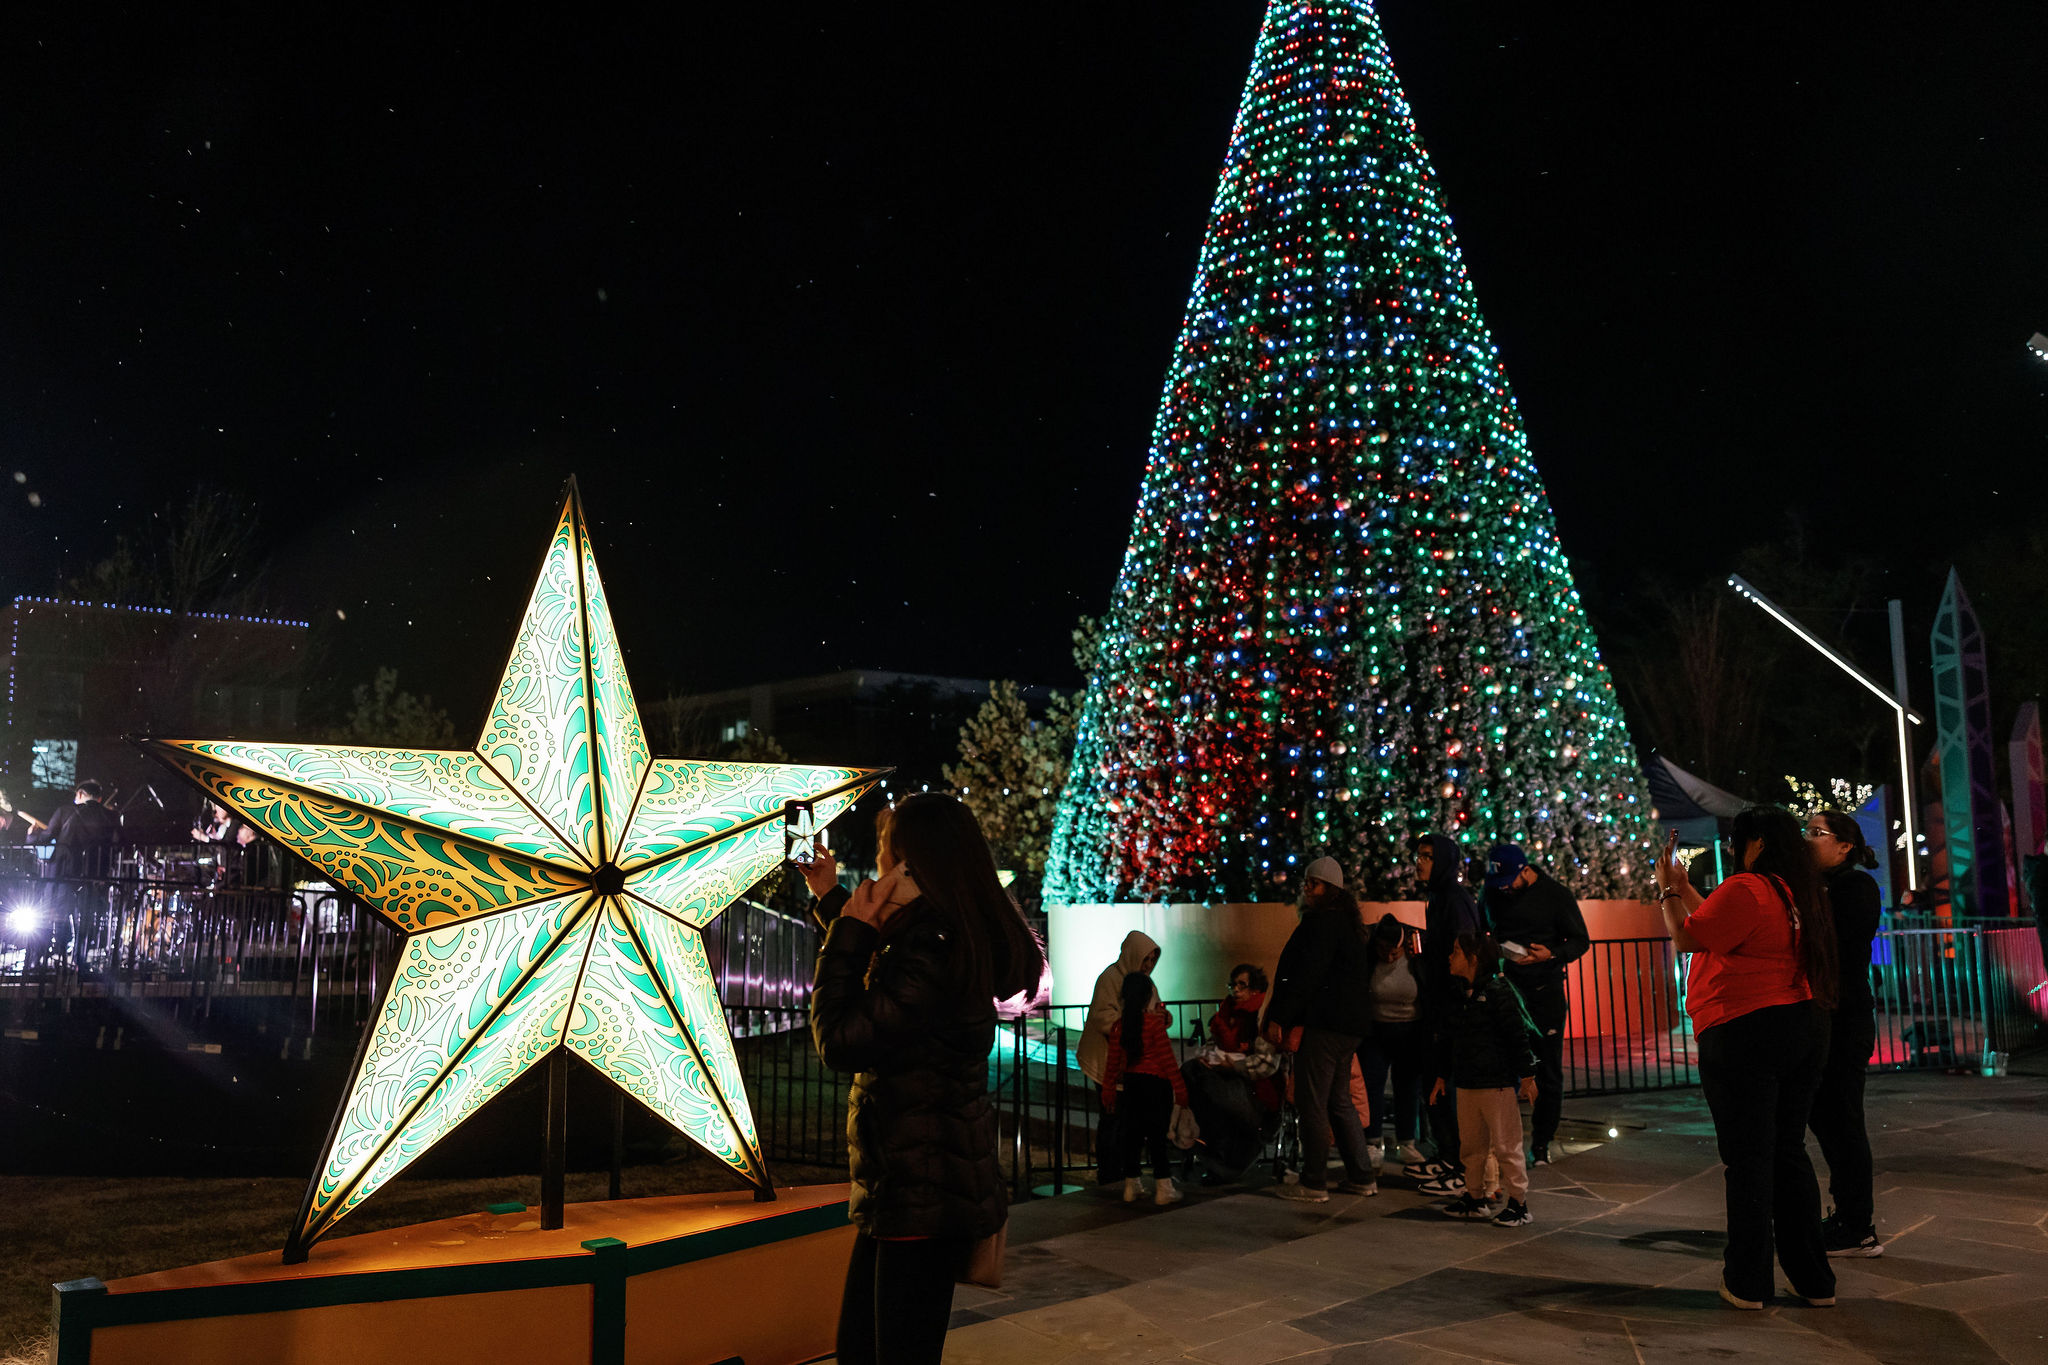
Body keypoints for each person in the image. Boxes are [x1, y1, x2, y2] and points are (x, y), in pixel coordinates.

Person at [804, 793, 1046, 1365]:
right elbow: (895, 986)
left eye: (887, 851)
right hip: (911, 1184)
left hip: (922, 1190)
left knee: (890, 1354)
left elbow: (840, 1039)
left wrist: (850, 932)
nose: (880, 865)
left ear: (913, 862)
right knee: (866, 1349)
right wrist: (832, 900)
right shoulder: (939, 935)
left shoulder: (933, 949)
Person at [1656, 806, 1839, 1311]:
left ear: (1754, 842)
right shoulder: (1794, 891)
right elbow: (1718, 924)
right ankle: (1813, 1279)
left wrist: (1668, 890)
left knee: (1749, 1160)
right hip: (1803, 1025)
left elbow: (1689, 935)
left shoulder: (1749, 887)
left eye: (1738, 843)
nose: (1736, 852)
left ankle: (1747, 1282)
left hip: (1746, 1029)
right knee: (1787, 1151)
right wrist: (1684, 887)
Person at [1265, 855, 1377, 1202]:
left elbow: (1304, 977)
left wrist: (1281, 1016)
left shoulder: (1321, 924)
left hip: (1325, 1026)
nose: (1307, 889)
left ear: (1329, 889)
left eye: (1313, 884)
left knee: (1311, 1100)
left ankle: (1314, 1181)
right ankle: (1361, 1175)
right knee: (1339, 1099)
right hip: (1349, 1026)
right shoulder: (1347, 924)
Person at [1804, 809, 1885, 1258]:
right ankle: (1848, 1215)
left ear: (1844, 845)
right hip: (1824, 1016)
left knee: (1843, 1119)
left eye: (1817, 833)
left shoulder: (1854, 886)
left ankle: (1858, 1225)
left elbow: (1835, 943)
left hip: (1846, 1018)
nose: (1807, 839)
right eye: (1806, 831)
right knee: (1825, 1117)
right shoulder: (1820, 887)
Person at [1482, 843, 1589, 1166]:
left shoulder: (1555, 894)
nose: (1504, 887)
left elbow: (1581, 940)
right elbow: (1485, 930)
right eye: (1499, 881)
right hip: (1507, 991)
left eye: (1510, 880)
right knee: (1501, 1067)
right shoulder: (1492, 893)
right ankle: (1502, 1142)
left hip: (1545, 992)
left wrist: (1551, 954)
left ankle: (1541, 1143)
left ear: (1526, 870)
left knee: (1547, 1070)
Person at [1428, 933, 1539, 1226]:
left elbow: (1517, 1037)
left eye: (1456, 951)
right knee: (1472, 1145)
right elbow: (1448, 1039)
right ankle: (1474, 1196)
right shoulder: (1459, 993)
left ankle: (1518, 1202)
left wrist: (1527, 1076)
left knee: (1506, 1145)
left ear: (1473, 958)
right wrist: (1442, 1076)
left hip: (1496, 1083)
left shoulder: (1498, 992)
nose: (1450, 957)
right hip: (1467, 1082)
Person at [1409, 832, 1485, 1197]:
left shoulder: (1454, 900)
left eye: (1427, 856)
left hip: (1451, 1008)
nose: (1419, 862)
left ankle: (1459, 1166)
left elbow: (1464, 952)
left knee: (1446, 1085)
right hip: (1440, 1005)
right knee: (1435, 1084)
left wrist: (1456, 1002)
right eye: (1418, 856)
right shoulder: (1439, 898)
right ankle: (1447, 1155)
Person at [1184, 964, 1284, 1185]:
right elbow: (1214, 1042)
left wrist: (1235, 1067)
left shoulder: (1261, 1016)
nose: (1236, 990)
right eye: (1233, 985)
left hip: (1255, 1089)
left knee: (1210, 1090)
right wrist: (1209, 1058)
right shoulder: (1225, 1014)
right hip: (1226, 1078)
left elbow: (1266, 1064)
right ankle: (1211, 1155)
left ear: (1255, 989)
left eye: (1242, 985)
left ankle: (1221, 1159)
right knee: (1193, 1075)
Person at [1079, 929, 1160, 1182]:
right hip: (1107, 1061)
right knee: (1112, 1118)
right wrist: (1137, 1024)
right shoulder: (1110, 979)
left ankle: (1123, 1172)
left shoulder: (1143, 982)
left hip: (1129, 1062)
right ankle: (1109, 1173)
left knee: (1124, 1119)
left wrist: (1158, 1019)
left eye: (1152, 960)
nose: (1148, 965)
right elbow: (1103, 1017)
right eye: (1145, 959)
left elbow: (1155, 1008)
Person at [1102, 970, 1189, 1205]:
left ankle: (1132, 1186)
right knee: (1157, 1137)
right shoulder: (1153, 1024)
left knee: (1133, 1136)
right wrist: (1180, 1090)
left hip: (1131, 1085)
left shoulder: (1119, 1026)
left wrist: (1108, 1090)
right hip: (1155, 1085)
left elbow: (1112, 1063)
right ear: (1147, 996)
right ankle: (1164, 1188)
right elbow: (1167, 1060)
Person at [1359, 913, 1430, 1170]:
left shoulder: (1416, 953)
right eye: (1384, 951)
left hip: (1410, 1029)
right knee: (1373, 1083)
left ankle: (1406, 1142)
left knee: (1408, 1085)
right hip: (1377, 1029)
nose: (1389, 957)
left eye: (1394, 953)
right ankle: (1372, 1141)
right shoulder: (1369, 956)